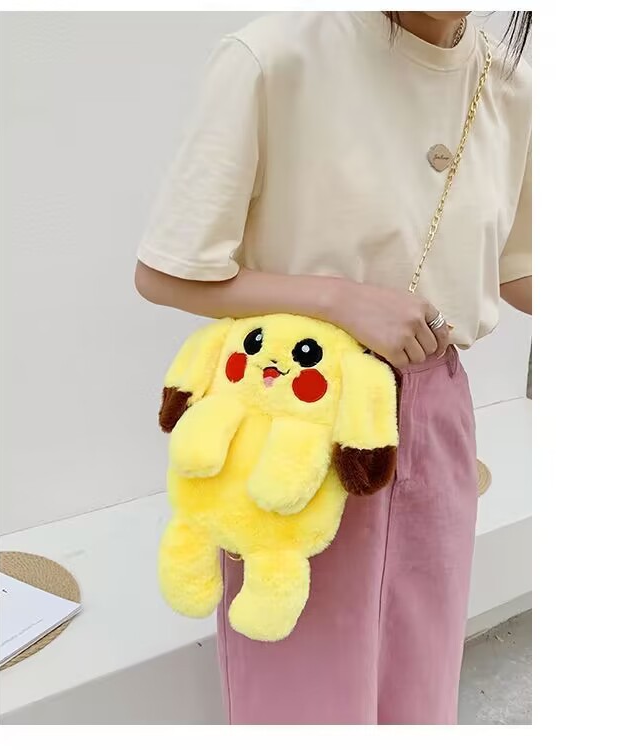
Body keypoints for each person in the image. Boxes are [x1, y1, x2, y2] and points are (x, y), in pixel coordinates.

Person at [135, 11, 532, 725]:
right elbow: (167, 272)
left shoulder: (509, 84)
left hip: (434, 411)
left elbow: (518, 271)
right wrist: (339, 300)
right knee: (300, 698)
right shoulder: (273, 56)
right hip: (294, 414)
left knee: (421, 678)